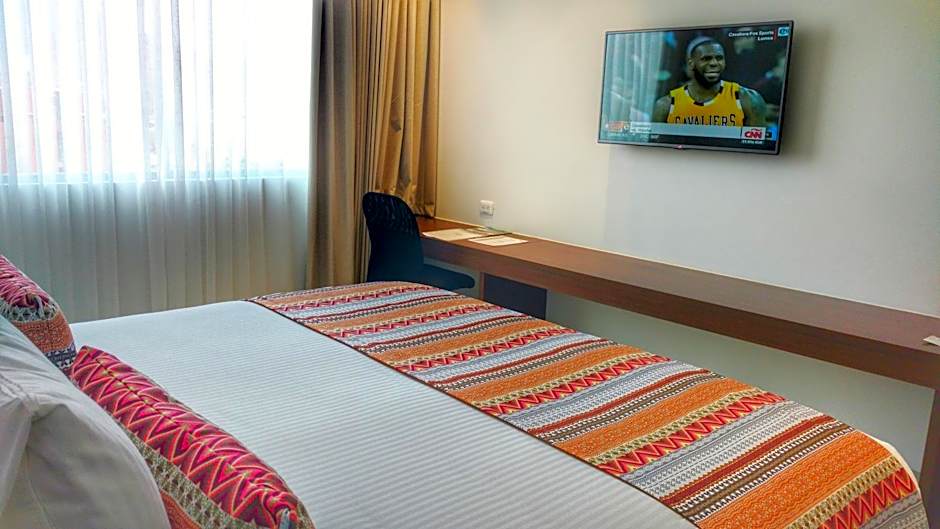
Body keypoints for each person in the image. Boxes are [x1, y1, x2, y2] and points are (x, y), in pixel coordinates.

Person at [652, 37, 767, 127]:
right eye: (706, 59)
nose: (714, 63)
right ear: (691, 63)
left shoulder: (749, 100)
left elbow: (757, 146)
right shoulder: (666, 105)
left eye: (719, 58)